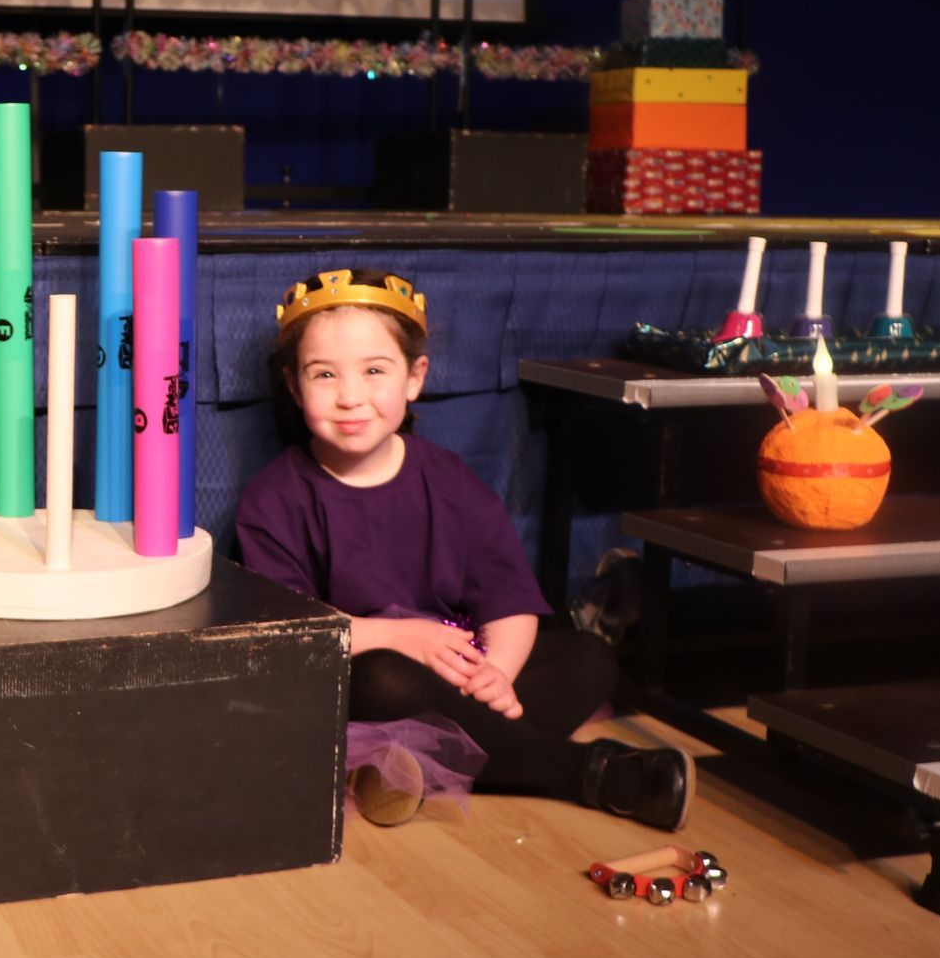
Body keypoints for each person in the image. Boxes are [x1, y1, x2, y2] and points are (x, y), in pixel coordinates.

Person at [234, 269, 692, 830]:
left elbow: (508, 600)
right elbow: (291, 633)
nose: (350, 396)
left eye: (374, 371)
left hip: (458, 673)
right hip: (358, 678)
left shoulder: (450, 480)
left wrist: (494, 674)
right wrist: (401, 637)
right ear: (293, 385)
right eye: (324, 375)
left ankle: (419, 767)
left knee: (589, 658)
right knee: (381, 678)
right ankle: (581, 771)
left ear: (414, 378)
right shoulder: (274, 499)